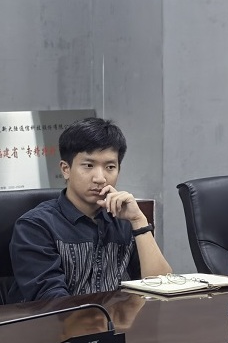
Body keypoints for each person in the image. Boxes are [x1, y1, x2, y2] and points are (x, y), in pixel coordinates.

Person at [7, 117, 172, 303]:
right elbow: (51, 303)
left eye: (110, 167)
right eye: (88, 165)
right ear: (66, 169)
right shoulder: (35, 226)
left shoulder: (124, 220)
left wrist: (138, 221)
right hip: (60, 321)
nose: (100, 178)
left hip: (117, 320)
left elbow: (162, 288)